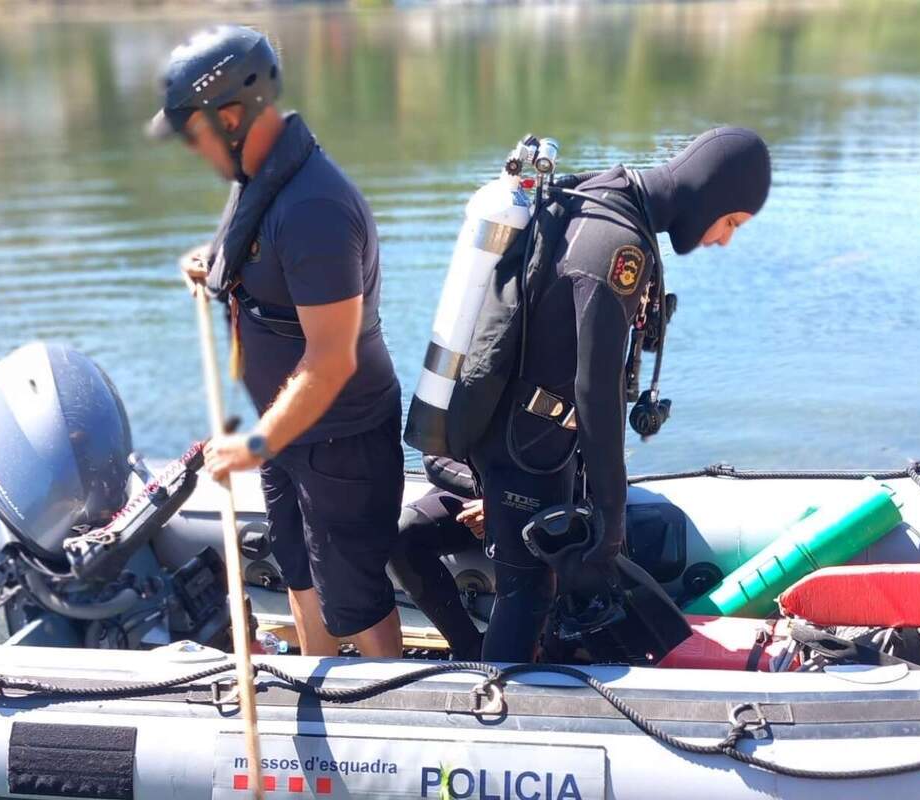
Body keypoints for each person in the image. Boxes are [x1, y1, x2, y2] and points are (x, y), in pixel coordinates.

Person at [149, 25, 404, 658]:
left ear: (231, 116)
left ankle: (391, 718)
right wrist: (209, 263)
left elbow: (330, 358)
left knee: (357, 599)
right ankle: (318, 695)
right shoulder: (260, 180)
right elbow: (253, 260)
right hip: (291, 435)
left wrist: (254, 443)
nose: (190, 148)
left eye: (194, 133)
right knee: (300, 573)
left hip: (337, 439)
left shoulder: (315, 210)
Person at [473, 127, 772, 663]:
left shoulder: (603, 195)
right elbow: (596, 391)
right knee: (525, 596)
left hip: (514, 430)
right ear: (710, 194)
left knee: (530, 594)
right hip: (527, 449)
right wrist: (610, 519)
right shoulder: (620, 246)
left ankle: (493, 679)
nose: (726, 239)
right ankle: (489, 721)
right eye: (731, 222)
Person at [388, 456, 486, 660]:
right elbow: (435, 460)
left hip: (542, 494)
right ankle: (469, 648)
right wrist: (492, 494)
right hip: (473, 489)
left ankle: (555, 644)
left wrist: (506, 505)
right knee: (403, 535)